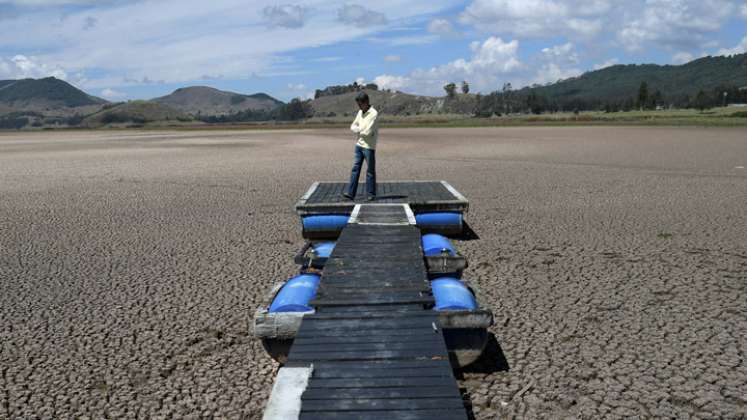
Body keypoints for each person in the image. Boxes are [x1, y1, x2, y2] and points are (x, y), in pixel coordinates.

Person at [343, 91, 379, 201]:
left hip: (369, 146)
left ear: (366, 102)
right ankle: (351, 193)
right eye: (358, 104)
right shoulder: (360, 112)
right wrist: (359, 130)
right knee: (355, 169)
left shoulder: (373, 114)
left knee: (370, 171)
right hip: (359, 145)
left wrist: (358, 130)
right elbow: (352, 126)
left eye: (360, 104)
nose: (359, 106)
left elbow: (368, 132)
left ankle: (371, 194)